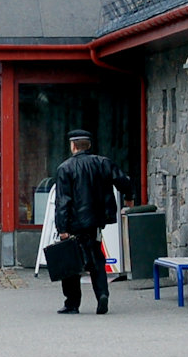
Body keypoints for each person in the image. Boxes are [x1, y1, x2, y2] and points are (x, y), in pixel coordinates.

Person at [51, 128, 135, 315]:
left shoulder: (65, 168)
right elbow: (124, 180)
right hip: (97, 220)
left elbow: (63, 201)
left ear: (73, 146)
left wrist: (62, 228)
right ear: (88, 146)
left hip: (74, 223)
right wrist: (129, 197)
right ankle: (102, 294)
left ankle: (72, 303)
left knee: (71, 262)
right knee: (97, 258)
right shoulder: (103, 163)